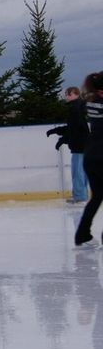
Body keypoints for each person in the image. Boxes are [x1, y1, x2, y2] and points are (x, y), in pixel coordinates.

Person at [48, 86, 90, 204]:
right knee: (81, 171)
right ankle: (82, 195)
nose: (66, 96)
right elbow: (73, 127)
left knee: (78, 172)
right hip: (83, 144)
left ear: (75, 94)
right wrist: (56, 131)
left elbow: (74, 129)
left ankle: (80, 196)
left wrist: (62, 140)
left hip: (79, 145)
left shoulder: (75, 109)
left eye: (68, 94)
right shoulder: (78, 107)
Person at [75, 73, 103, 248]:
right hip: (101, 157)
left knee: (97, 196)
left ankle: (82, 235)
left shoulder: (90, 104)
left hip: (90, 157)